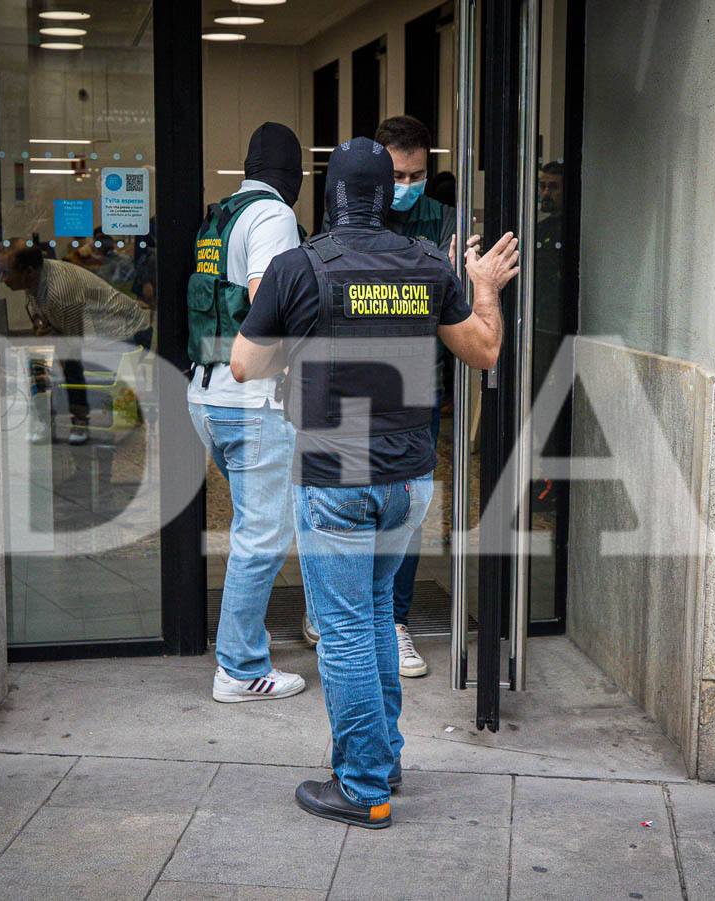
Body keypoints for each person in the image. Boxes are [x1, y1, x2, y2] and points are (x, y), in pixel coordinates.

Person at [230, 137, 518, 828]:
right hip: (409, 477)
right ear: (388, 194)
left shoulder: (300, 267)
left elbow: (243, 365)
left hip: (335, 475)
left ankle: (362, 787)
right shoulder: (424, 264)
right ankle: (382, 758)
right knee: (379, 620)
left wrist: (279, 314)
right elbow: (483, 350)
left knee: (349, 628)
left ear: (330, 195)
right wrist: (482, 286)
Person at [307, 115, 457, 679]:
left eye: (416, 174)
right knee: (340, 507)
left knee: (404, 513)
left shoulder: (442, 219)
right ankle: (337, 611)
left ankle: (394, 620)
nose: (405, 185)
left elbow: (452, 298)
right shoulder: (340, 218)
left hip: (415, 392)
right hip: (345, 392)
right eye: (395, 174)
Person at [186, 122, 308, 703]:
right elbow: (269, 297)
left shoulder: (221, 215)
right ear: (295, 176)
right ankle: (238, 668)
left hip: (206, 397)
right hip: (250, 399)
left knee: (249, 527)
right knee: (261, 535)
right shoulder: (275, 216)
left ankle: (245, 642)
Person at [0, 246, 151, 445]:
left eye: (6, 272)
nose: (3, 279)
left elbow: (71, 345)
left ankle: (79, 421)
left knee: (68, 364)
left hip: (126, 331)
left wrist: (49, 339)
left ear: (28, 272)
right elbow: (43, 324)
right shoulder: (36, 280)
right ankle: (47, 420)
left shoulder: (60, 293)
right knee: (38, 361)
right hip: (94, 331)